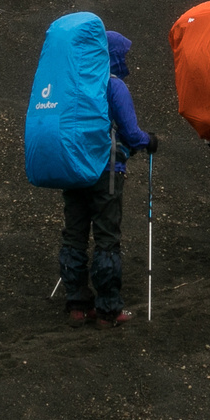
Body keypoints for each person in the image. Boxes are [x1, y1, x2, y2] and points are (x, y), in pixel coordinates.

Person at [53, 30, 156, 327]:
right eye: (123, 54)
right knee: (106, 239)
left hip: (72, 169)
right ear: (113, 55)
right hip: (106, 171)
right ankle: (108, 309)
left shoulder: (73, 84)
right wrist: (149, 141)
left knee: (73, 235)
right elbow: (131, 133)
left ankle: (76, 304)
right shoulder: (112, 85)